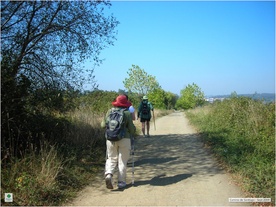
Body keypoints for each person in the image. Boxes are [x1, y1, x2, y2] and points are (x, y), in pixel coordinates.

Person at [101, 95, 136, 189]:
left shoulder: (109, 111)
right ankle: (121, 182)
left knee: (111, 158)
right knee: (122, 161)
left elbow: (102, 125)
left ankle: (109, 174)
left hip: (110, 139)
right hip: (125, 139)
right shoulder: (127, 113)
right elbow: (132, 130)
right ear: (126, 104)